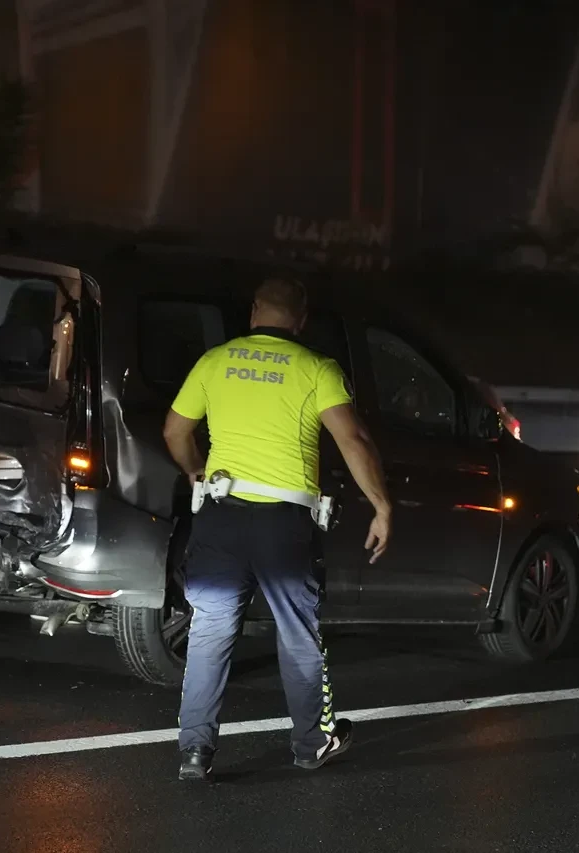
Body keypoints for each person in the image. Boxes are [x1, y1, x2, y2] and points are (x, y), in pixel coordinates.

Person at [162, 277, 393, 781]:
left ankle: (194, 753)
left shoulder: (216, 361)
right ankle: (312, 743)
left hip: (220, 518)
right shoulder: (317, 369)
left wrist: (194, 470)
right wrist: (381, 505)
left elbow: (174, 431)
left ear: (254, 312)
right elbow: (353, 440)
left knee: (209, 634)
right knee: (297, 636)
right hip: (284, 525)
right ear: (301, 320)